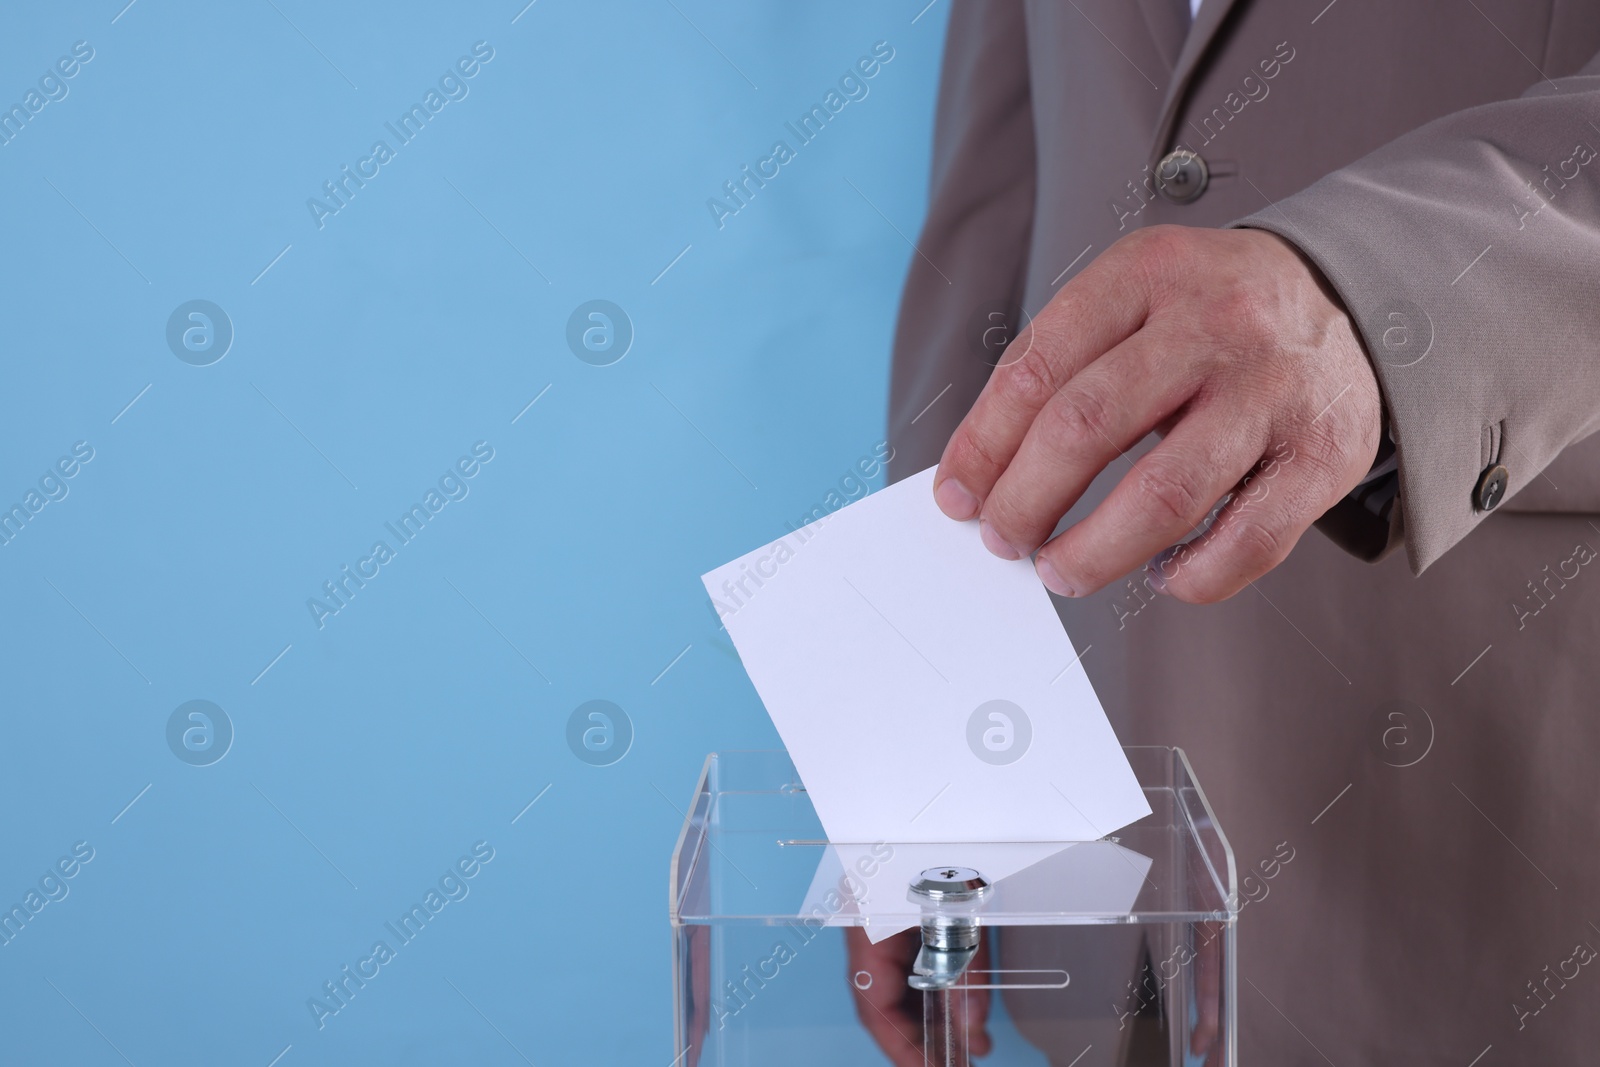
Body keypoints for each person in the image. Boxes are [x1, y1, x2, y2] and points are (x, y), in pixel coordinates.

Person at [863, 0, 1600, 1062]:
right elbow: (994, 201)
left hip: (1493, 802)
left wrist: (1364, 291)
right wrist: (915, 725)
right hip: (1096, 812)